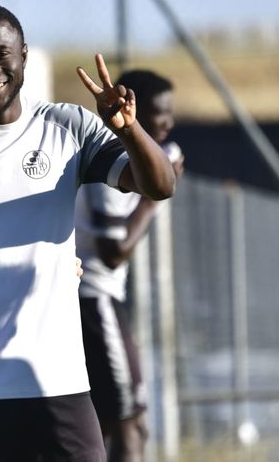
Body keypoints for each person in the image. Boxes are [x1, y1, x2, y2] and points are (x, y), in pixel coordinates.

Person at [0, 3, 177, 461]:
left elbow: (159, 185)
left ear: (23, 53)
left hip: (58, 382)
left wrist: (130, 128)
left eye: (1, 53)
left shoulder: (68, 126)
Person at [75, 70, 185, 462]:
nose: (167, 124)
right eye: (159, 114)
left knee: (111, 425)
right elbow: (113, 250)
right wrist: (154, 197)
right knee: (128, 424)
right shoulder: (109, 169)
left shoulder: (136, 160)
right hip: (94, 299)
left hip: (99, 299)